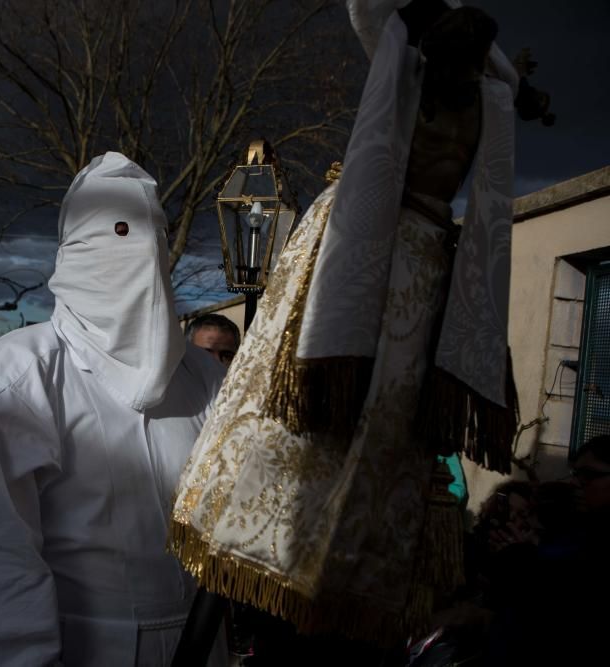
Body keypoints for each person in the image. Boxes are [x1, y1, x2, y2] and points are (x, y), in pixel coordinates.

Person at [170, 0, 523, 654]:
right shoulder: (454, 70)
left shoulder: (454, 74)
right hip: (390, 257)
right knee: (332, 433)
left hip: (400, 263)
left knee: (361, 433)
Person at [0, 152, 227, 666]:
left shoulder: (207, 377)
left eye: (155, 234)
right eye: (118, 232)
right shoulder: (19, 377)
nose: (141, 252)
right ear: (72, 251)